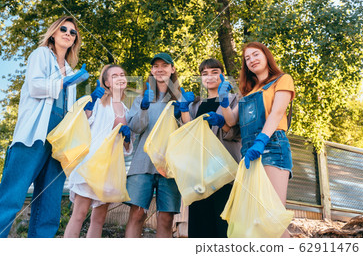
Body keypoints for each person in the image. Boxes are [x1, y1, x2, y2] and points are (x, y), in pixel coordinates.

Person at [0, 16, 102, 238]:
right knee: (11, 197)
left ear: (75, 40)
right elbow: (35, 87)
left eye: (72, 32)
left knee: (49, 207)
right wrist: (62, 83)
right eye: (63, 29)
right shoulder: (41, 55)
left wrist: (90, 102)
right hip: (33, 137)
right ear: (53, 33)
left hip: (58, 144)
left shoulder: (72, 72)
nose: (67, 33)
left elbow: (70, 115)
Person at [220, 42, 295, 238]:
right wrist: (224, 102)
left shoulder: (283, 79)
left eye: (255, 55)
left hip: (272, 146)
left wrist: (261, 141)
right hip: (249, 153)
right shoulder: (248, 91)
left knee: (273, 219)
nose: (252, 60)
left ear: (266, 56)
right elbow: (231, 120)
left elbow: (278, 112)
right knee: (256, 219)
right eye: (247, 58)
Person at [124, 52, 194, 238]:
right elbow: (136, 128)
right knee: (137, 215)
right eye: (156, 66)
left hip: (170, 167)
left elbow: (190, 133)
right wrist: (144, 108)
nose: (160, 69)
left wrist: (184, 112)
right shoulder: (140, 99)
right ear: (152, 71)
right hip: (142, 165)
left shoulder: (182, 98)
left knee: (165, 219)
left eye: (164, 65)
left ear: (172, 69)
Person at [63, 64, 132, 238]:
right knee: (79, 215)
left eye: (122, 74)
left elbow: (126, 150)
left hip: (110, 170)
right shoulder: (98, 102)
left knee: (99, 219)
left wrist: (128, 140)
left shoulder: (127, 110)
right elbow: (81, 124)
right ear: (107, 82)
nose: (120, 77)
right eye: (114, 75)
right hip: (90, 165)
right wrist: (90, 103)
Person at [181, 58, 241, 238]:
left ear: (223, 75)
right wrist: (184, 108)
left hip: (224, 172)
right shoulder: (196, 104)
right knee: (200, 226)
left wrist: (223, 123)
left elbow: (237, 132)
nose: (209, 77)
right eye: (204, 74)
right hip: (199, 173)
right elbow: (188, 133)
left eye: (214, 72)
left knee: (222, 225)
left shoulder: (234, 99)